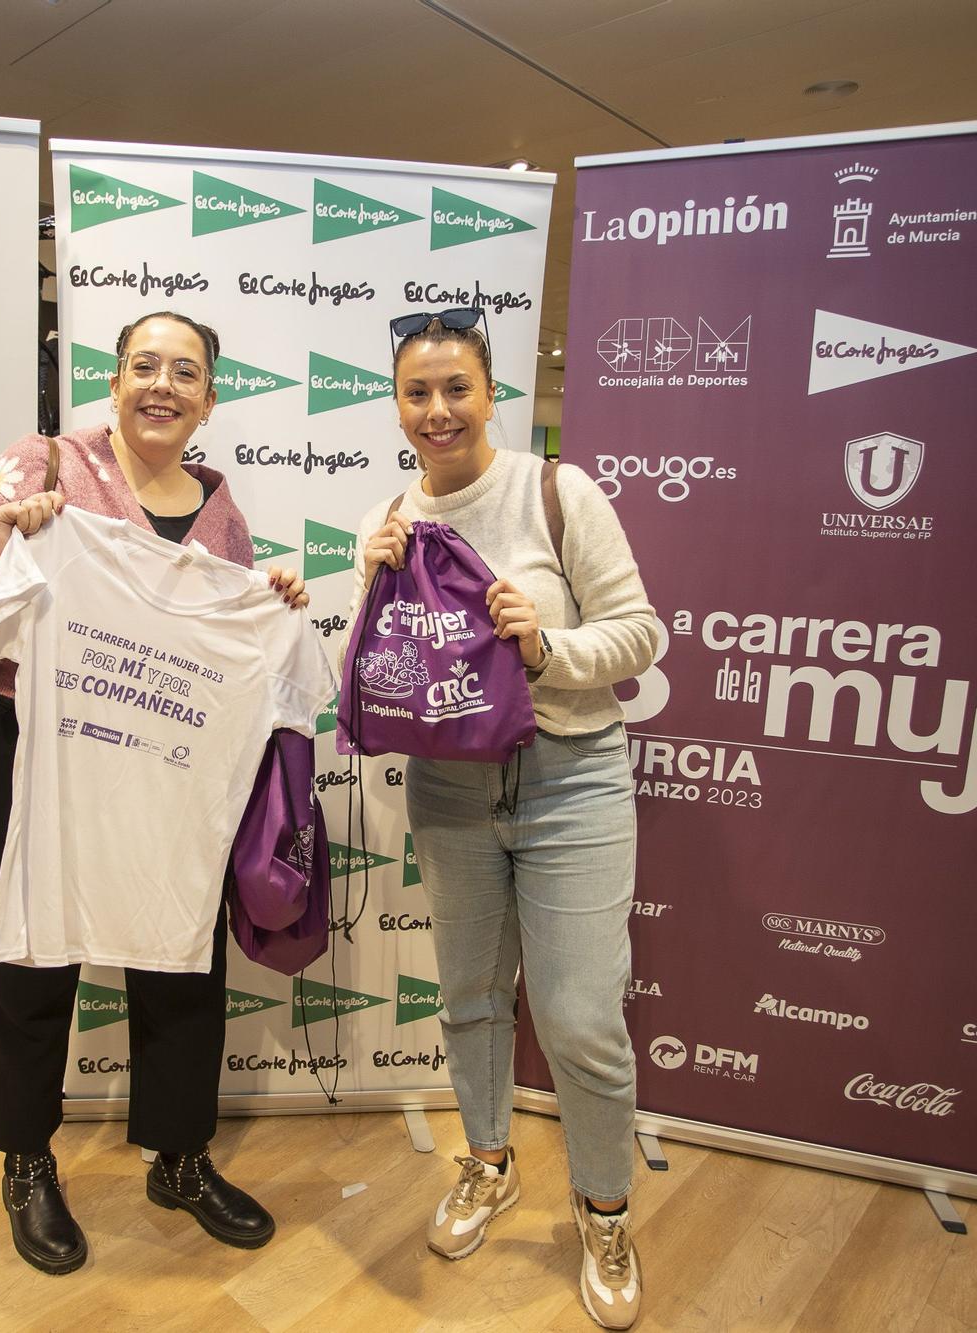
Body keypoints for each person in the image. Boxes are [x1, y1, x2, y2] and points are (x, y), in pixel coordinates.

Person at [0, 311, 308, 1276]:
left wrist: (273, 606)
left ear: (210, 398)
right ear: (114, 379)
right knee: (23, 961)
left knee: (179, 953)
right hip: (16, 747)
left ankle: (178, 1154)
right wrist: (1, 544)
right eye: (143, 366)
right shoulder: (40, 464)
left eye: (186, 371)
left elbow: (220, 659)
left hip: (154, 764)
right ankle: (28, 1159)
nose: (162, 385)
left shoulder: (223, 514)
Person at [352, 308, 659, 1330]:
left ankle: (603, 1208)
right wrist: (372, 578)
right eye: (415, 392)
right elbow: (405, 659)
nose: (436, 410)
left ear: (489, 394)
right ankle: (487, 1164)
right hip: (449, 789)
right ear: (397, 405)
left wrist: (545, 649)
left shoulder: (556, 492)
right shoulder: (399, 507)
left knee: (579, 1020)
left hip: (570, 779)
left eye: (454, 389)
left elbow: (641, 634)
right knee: (471, 997)